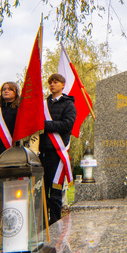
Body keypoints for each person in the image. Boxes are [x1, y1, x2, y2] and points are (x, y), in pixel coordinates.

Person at [39, 73, 76, 225]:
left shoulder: (68, 104)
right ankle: (41, 222)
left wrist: (45, 125)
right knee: (41, 189)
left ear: (62, 85)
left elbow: (67, 124)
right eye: (50, 82)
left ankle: (54, 221)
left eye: (55, 82)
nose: (52, 85)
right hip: (42, 151)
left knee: (55, 191)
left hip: (57, 152)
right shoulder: (43, 103)